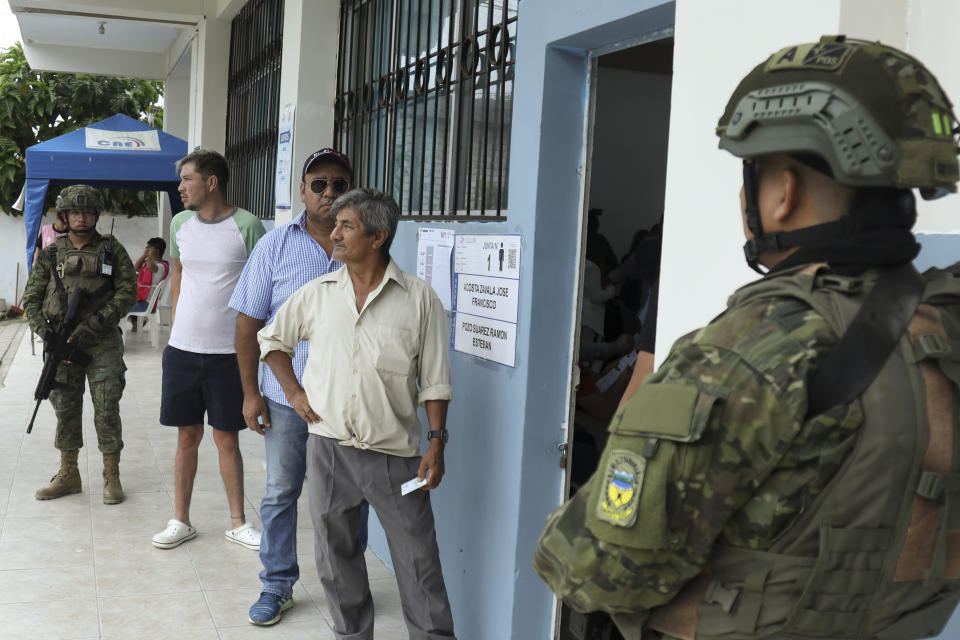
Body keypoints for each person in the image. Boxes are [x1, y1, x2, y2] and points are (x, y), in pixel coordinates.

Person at [534, 35, 960, 640]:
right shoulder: (944, 329)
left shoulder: (750, 351)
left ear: (782, 192)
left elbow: (592, 568)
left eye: (751, 175)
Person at [258, 188, 456, 639]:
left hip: (396, 457)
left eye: (347, 225)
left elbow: (437, 381)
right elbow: (271, 341)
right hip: (329, 452)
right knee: (336, 560)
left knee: (419, 563)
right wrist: (293, 392)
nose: (335, 232)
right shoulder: (319, 293)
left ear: (378, 236)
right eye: (336, 224)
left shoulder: (420, 300)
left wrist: (437, 442)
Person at [230, 148, 369, 626]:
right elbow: (248, 325)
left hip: (348, 400)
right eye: (319, 184)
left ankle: (348, 590)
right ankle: (277, 585)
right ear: (302, 190)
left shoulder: (367, 243)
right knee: (280, 492)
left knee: (349, 498)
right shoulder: (275, 245)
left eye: (338, 184)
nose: (328, 193)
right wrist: (251, 393)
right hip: (287, 398)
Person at [152, 149, 266, 551]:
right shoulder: (181, 223)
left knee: (226, 438)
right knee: (186, 436)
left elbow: (260, 287)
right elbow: (179, 272)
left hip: (229, 354)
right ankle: (180, 519)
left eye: (187, 180)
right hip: (183, 350)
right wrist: (175, 329)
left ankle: (237, 522)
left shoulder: (249, 226)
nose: (180, 188)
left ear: (211, 182)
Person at [22, 184, 136, 504]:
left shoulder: (112, 250)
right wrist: (45, 333)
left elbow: (128, 292)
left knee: (106, 407)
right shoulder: (52, 253)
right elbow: (31, 298)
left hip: (101, 343)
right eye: (75, 212)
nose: (82, 218)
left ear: (96, 215)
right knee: (66, 409)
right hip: (61, 342)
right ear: (64, 215)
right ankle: (68, 473)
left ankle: (111, 476)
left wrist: (96, 324)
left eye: (87, 212)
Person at [131, 237, 169, 313]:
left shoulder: (162, 266)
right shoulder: (147, 263)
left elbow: (151, 267)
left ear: (157, 250)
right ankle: (135, 324)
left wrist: (150, 256)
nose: (147, 249)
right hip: (139, 299)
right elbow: (135, 269)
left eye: (150, 247)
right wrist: (144, 255)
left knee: (119, 308)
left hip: (147, 303)